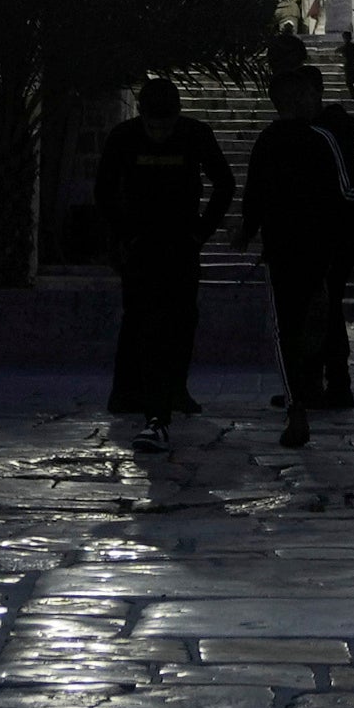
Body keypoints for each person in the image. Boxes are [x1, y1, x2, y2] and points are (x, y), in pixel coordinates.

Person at [240, 48, 354, 445]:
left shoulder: (280, 139)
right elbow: (345, 188)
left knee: (295, 323)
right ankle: (310, 389)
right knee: (315, 317)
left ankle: (303, 396)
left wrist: (244, 232)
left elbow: (253, 195)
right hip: (318, 246)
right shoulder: (318, 137)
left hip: (296, 246)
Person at [88, 74, 229, 442]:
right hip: (139, 243)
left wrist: (201, 232)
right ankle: (127, 392)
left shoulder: (195, 135)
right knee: (137, 316)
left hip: (182, 241)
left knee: (182, 317)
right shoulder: (124, 137)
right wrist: (123, 234)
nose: (160, 135)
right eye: (153, 127)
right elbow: (103, 190)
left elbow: (224, 184)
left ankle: (175, 390)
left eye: (166, 127)